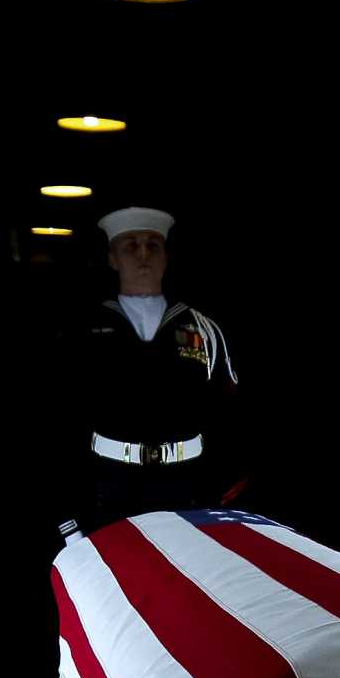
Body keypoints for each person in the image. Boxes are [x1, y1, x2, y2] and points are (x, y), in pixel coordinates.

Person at [56, 206, 241, 537]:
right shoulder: (81, 332)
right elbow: (58, 420)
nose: (143, 254)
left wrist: (218, 497)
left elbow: (230, 416)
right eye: (130, 245)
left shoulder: (203, 330)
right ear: (113, 258)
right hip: (109, 489)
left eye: (153, 245)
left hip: (187, 489)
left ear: (166, 256)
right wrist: (69, 516)